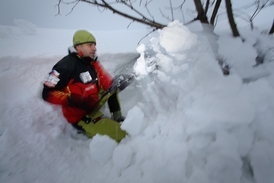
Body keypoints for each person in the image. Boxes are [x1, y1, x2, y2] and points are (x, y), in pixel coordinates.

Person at [42, 30, 128, 142]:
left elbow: (107, 84)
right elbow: (47, 93)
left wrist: (118, 84)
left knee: (115, 84)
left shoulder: (92, 63)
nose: (94, 48)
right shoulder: (65, 65)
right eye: (90, 45)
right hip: (81, 115)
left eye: (95, 45)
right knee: (123, 135)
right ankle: (90, 127)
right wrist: (72, 99)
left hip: (94, 104)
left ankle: (117, 117)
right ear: (78, 47)